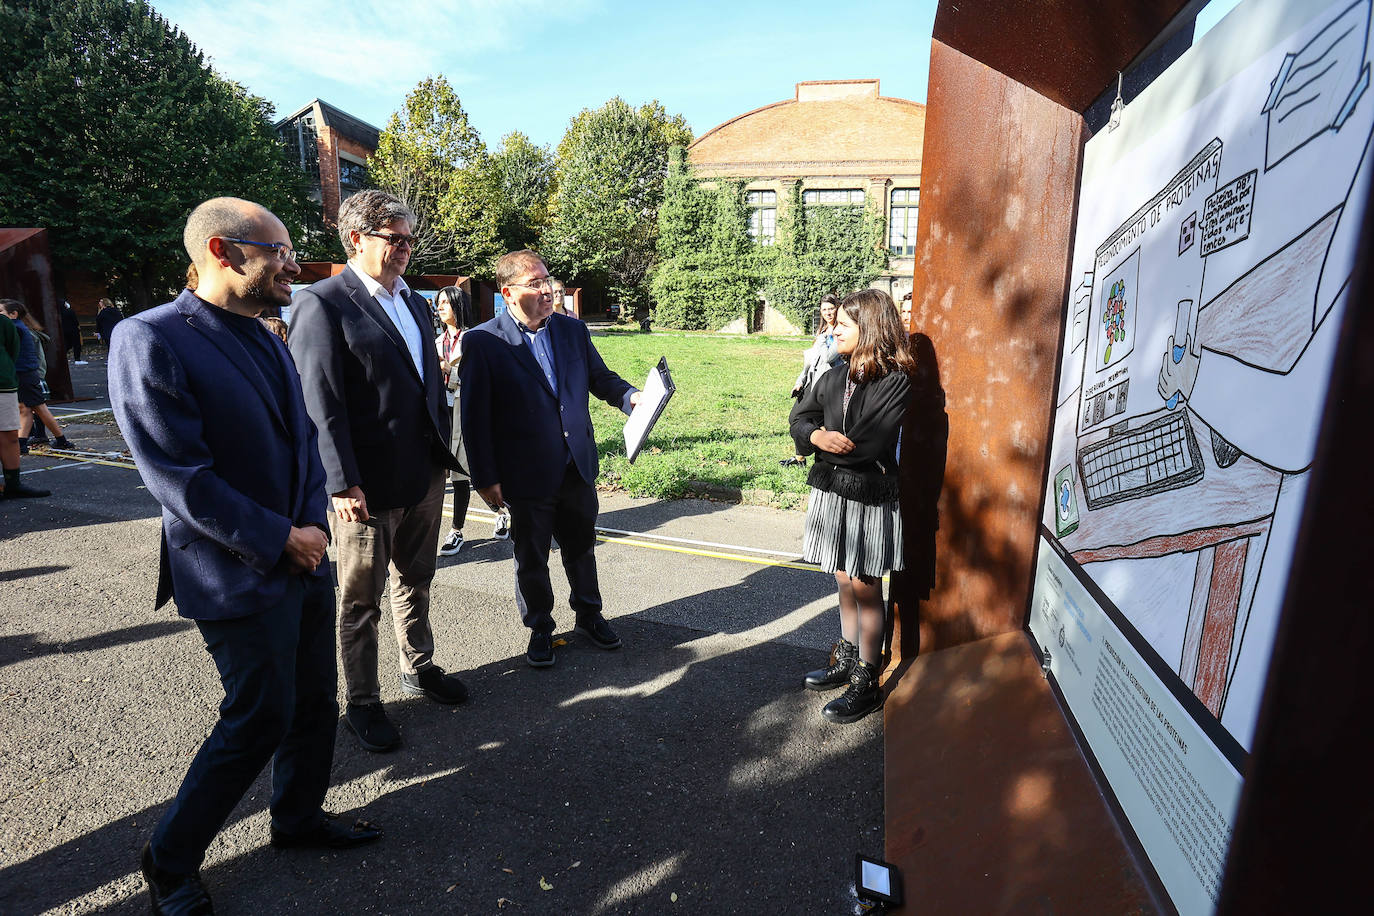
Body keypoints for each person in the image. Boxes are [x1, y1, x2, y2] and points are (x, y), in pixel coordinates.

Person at [109, 197, 382, 915]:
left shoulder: (265, 332)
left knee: (314, 703)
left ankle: (295, 819)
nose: (294, 263)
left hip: (302, 553)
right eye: (280, 251)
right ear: (224, 253)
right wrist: (279, 538)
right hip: (232, 568)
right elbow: (179, 475)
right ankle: (169, 860)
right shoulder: (150, 338)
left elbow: (298, 443)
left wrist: (308, 529)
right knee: (258, 715)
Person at [289, 189, 467, 754]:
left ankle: (418, 665)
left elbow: (427, 383)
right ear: (356, 239)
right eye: (395, 239)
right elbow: (321, 401)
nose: (406, 249)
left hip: (422, 472)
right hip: (363, 485)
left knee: (416, 579)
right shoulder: (323, 302)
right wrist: (340, 481)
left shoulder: (414, 303)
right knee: (359, 598)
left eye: (411, 239)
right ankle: (361, 701)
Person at [460, 249, 641, 667]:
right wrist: (484, 478)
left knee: (581, 547)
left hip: (575, 464)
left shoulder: (571, 332)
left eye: (548, 281)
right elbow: (474, 417)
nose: (548, 291)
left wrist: (632, 397)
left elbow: (600, 379)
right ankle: (540, 626)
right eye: (535, 284)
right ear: (508, 293)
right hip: (524, 473)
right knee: (532, 556)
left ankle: (589, 615)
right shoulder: (483, 342)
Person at [789, 288, 914, 724]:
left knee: (865, 585)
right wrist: (816, 437)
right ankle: (845, 657)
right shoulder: (834, 373)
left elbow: (867, 444)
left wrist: (822, 442)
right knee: (842, 578)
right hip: (832, 489)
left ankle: (867, 676)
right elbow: (800, 416)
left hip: (867, 495)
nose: (832, 328)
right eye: (834, 322)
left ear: (870, 329)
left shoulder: (894, 380)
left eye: (842, 324)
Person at [435, 285, 475, 555]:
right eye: (438, 303)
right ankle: (502, 511)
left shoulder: (475, 339)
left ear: (458, 306)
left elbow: (480, 378)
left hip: (467, 412)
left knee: (465, 473)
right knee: (446, 473)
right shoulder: (436, 342)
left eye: (445, 303)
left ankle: (456, 530)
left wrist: (451, 371)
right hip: (443, 414)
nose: (440, 308)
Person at [0, 300, 72, 452]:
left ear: (14, 314)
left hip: (24, 375)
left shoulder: (14, 328)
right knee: (25, 409)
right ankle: (21, 444)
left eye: (1, 312)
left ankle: (61, 440)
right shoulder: (17, 327)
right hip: (23, 374)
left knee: (39, 409)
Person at [781, 294, 842, 468]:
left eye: (831, 308)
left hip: (829, 386)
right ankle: (801, 457)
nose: (828, 313)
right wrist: (800, 380)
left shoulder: (839, 332)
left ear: (837, 308)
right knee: (797, 418)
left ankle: (814, 456)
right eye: (824, 309)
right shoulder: (822, 332)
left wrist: (823, 339)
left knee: (808, 420)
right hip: (812, 383)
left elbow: (829, 356)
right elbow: (811, 359)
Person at [0, 311, 49, 499]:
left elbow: (13, 350)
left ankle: (13, 484)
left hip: (4, 385)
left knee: (10, 433)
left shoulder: (3, 322)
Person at [59, 300, 85, 365]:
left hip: (64, 330)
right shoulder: (70, 311)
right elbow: (75, 321)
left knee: (67, 344)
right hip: (73, 330)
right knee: (76, 344)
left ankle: (61, 358)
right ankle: (77, 359)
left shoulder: (59, 312)